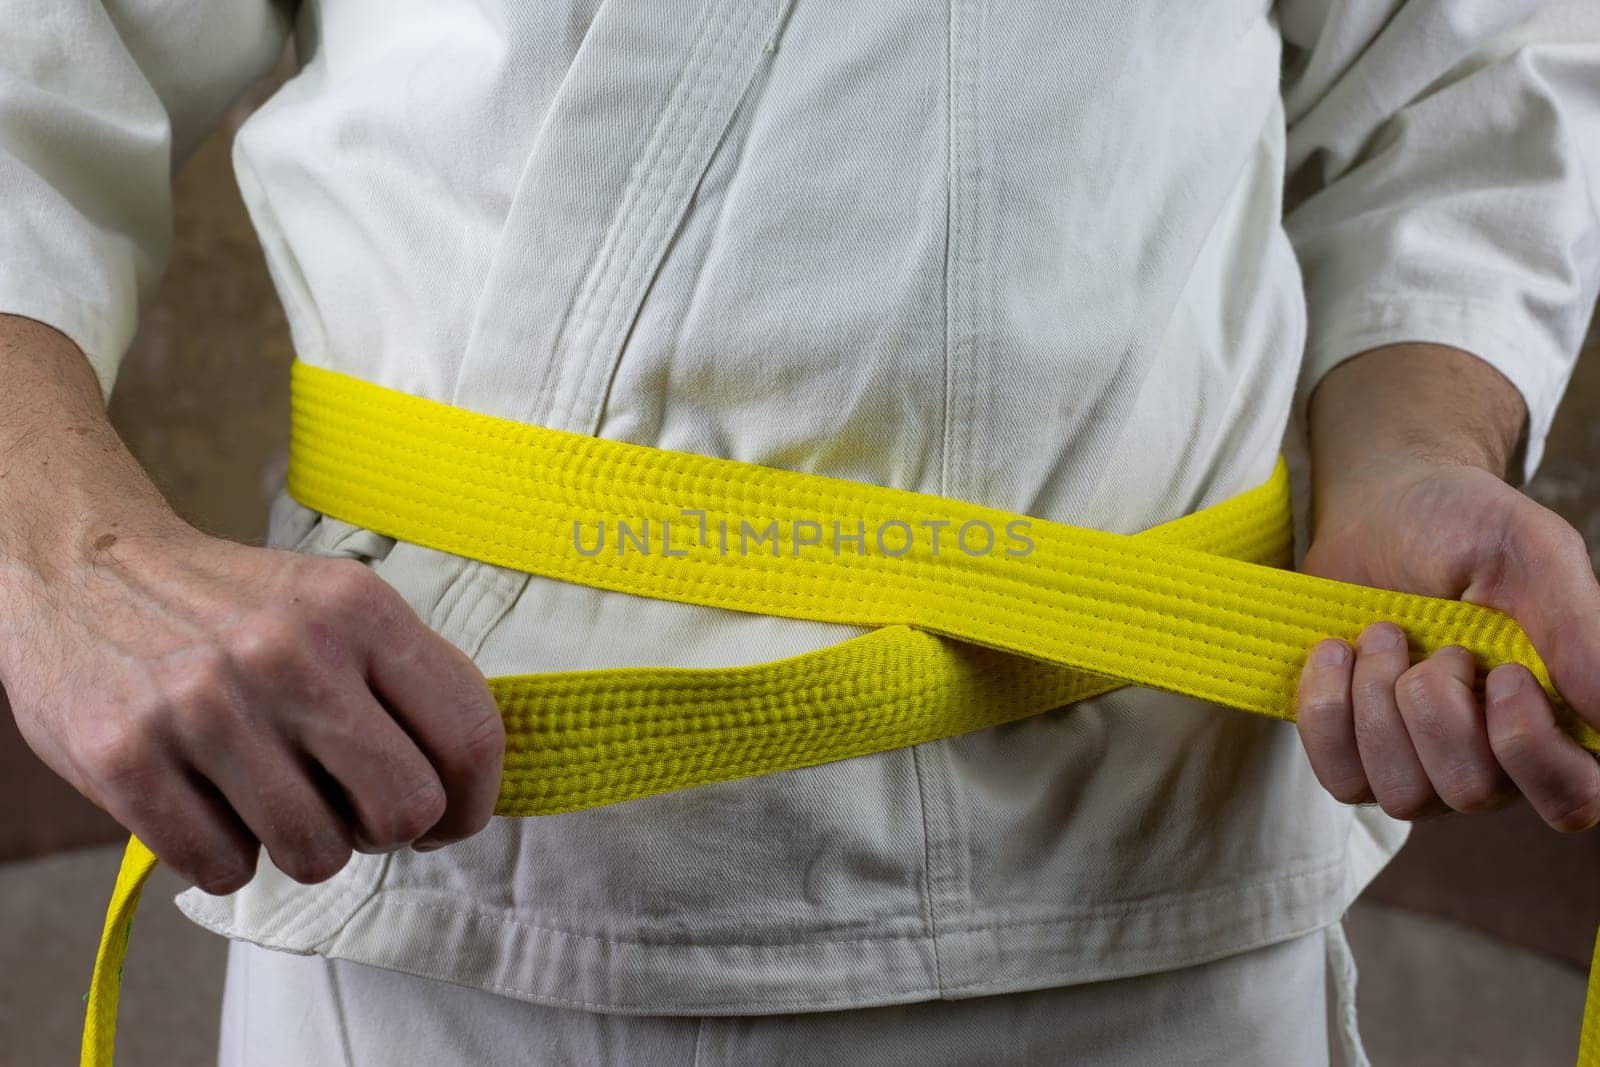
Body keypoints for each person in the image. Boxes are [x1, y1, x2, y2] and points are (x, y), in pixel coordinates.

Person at [4, 2, 1599, 1064]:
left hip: (1166, 869)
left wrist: (1412, 443)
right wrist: (58, 550)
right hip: (480, 892)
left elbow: (1451, 57)